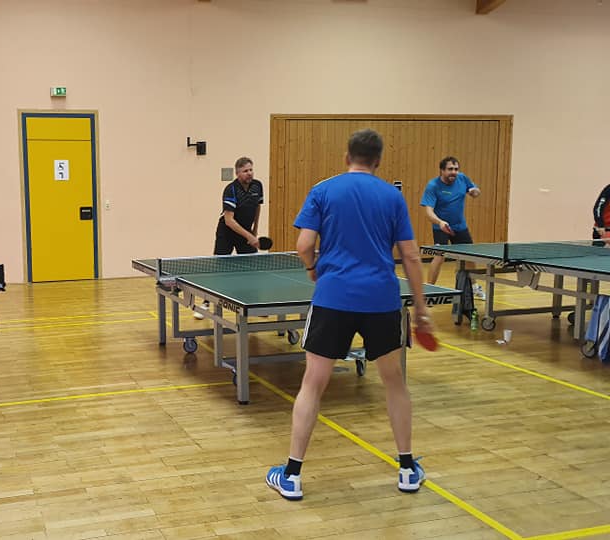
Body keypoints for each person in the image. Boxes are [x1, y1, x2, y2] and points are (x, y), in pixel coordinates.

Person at [265, 128, 434, 501]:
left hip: (334, 298)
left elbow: (304, 245)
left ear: (347, 157)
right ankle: (407, 469)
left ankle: (291, 475)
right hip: (381, 301)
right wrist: (421, 309)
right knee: (394, 383)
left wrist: (313, 269)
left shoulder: (323, 190)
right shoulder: (392, 197)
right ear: (378, 161)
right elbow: (410, 256)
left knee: (313, 384)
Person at [195, 157, 264, 320]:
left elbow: (257, 207)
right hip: (227, 232)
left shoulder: (257, 185)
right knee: (219, 268)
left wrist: (255, 230)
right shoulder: (231, 189)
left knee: (251, 268)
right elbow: (229, 220)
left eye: (251, 170)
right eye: (245, 171)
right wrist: (250, 236)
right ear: (238, 173)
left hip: (246, 232)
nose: (249, 173)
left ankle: (253, 303)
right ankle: (205, 303)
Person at [420, 157, 482, 296]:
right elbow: (429, 211)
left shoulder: (462, 178)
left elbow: (475, 191)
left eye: (455, 169)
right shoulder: (433, 186)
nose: (453, 172)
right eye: (450, 169)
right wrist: (440, 222)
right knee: (439, 257)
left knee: (469, 256)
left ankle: (474, 287)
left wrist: (475, 192)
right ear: (442, 170)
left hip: (460, 226)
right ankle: (429, 291)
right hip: (441, 226)